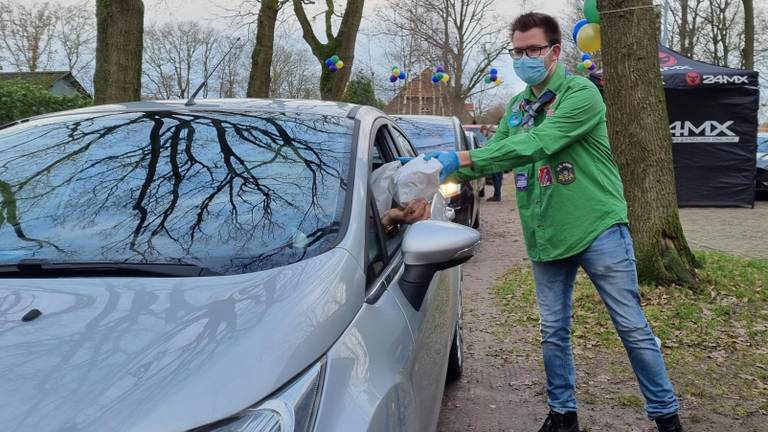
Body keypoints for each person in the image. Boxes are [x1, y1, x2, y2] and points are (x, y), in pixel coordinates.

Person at [423, 12, 684, 432]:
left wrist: (464, 157)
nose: (524, 57)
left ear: (555, 51)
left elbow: (537, 143)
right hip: (546, 230)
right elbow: (502, 151)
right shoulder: (518, 106)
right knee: (552, 330)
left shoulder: (582, 94)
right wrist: (431, 168)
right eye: (518, 51)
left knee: (631, 327)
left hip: (597, 226)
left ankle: (666, 418)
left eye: (533, 50)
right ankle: (563, 416)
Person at [481, 125, 504, 202]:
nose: (483, 135)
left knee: (496, 178)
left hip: (495, 159)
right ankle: (498, 194)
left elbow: (489, 148)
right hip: (501, 158)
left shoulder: (490, 136)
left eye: (482, 132)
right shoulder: (496, 134)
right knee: (499, 178)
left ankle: (497, 196)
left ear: (484, 130)